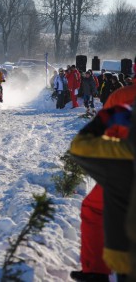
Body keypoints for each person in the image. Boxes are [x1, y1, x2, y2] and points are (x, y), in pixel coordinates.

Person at [70, 81, 136, 282]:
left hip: (126, 169)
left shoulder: (123, 96)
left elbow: (101, 136)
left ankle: (95, 271)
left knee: (94, 208)